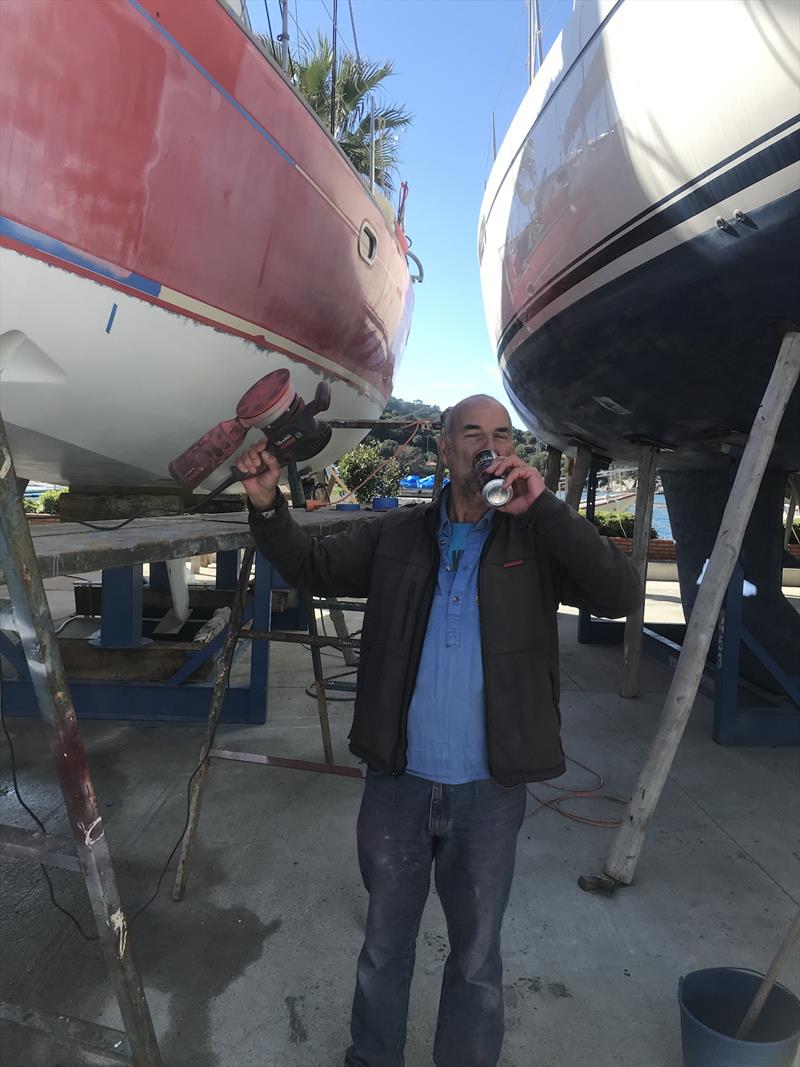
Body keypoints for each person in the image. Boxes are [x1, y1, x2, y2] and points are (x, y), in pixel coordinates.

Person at [238, 394, 641, 1067]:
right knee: (384, 948)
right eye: (473, 433)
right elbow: (310, 567)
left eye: (503, 434)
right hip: (398, 782)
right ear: (445, 449)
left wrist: (542, 506)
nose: (490, 445)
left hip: (489, 791)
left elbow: (621, 595)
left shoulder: (535, 538)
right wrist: (266, 503)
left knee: (477, 957)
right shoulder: (397, 536)